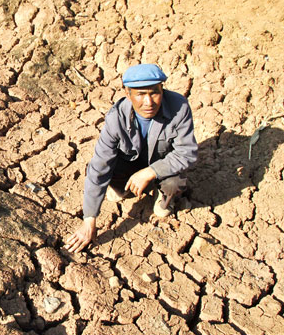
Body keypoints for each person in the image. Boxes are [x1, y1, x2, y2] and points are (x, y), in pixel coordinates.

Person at [65, 64, 198, 253]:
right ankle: (123, 188)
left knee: (174, 183)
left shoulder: (179, 107)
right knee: (107, 177)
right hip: (130, 163)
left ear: (162, 89)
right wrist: (89, 220)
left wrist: (150, 172)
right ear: (128, 94)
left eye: (154, 93)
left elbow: (187, 152)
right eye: (140, 94)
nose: (149, 102)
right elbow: (99, 167)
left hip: (161, 166)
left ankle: (163, 197)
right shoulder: (116, 118)